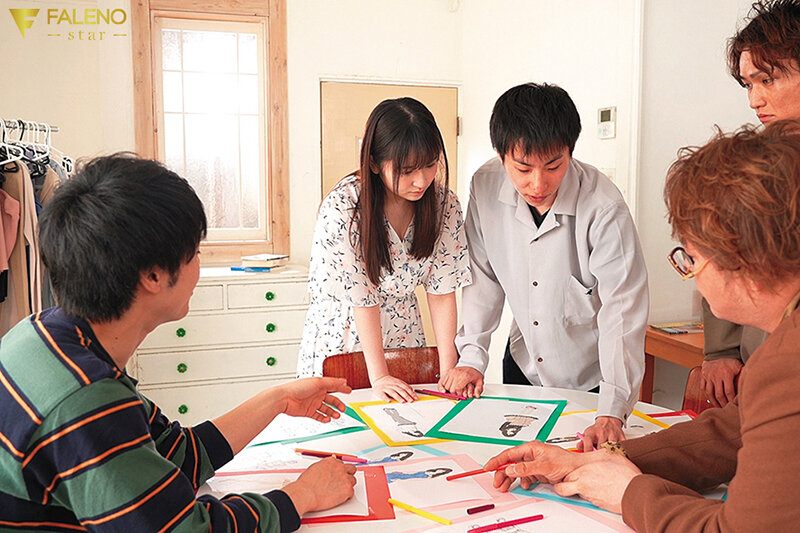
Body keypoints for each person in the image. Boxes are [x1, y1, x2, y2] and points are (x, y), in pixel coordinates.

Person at [0, 154, 357, 531]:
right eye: (195, 253)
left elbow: (176, 454)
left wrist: (279, 399)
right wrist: (302, 495)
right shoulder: (87, 397)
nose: (198, 268)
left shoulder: (42, 334)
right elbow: (184, 529)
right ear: (153, 275)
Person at [485, 121, 800, 531]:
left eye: (690, 259)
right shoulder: (781, 347)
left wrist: (628, 492)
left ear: (744, 260)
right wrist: (590, 462)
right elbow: (730, 432)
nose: (690, 276)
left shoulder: (785, 365)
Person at [441, 82, 649, 450]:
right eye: (523, 168)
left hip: (592, 379)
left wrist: (613, 409)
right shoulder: (485, 186)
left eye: (554, 166)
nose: (538, 183)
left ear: (570, 151)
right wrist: (472, 355)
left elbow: (622, 309)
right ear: (501, 155)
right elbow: (483, 277)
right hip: (523, 364)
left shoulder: (603, 208)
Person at [297, 97, 471, 402]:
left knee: (409, 423)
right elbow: (362, 298)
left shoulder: (444, 205)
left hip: (405, 335)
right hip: (346, 336)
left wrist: (449, 372)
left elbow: (442, 291)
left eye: (430, 164)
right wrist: (379, 376)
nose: (421, 181)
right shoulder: (344, 207)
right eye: (407, 170)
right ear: (375, 163)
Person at [700, 0, 800, 408]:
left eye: (767, 80)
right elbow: (723, 251)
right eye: (748, 85)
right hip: (755, 367)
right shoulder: (752, 163)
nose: (754, 100)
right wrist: (720, 350)